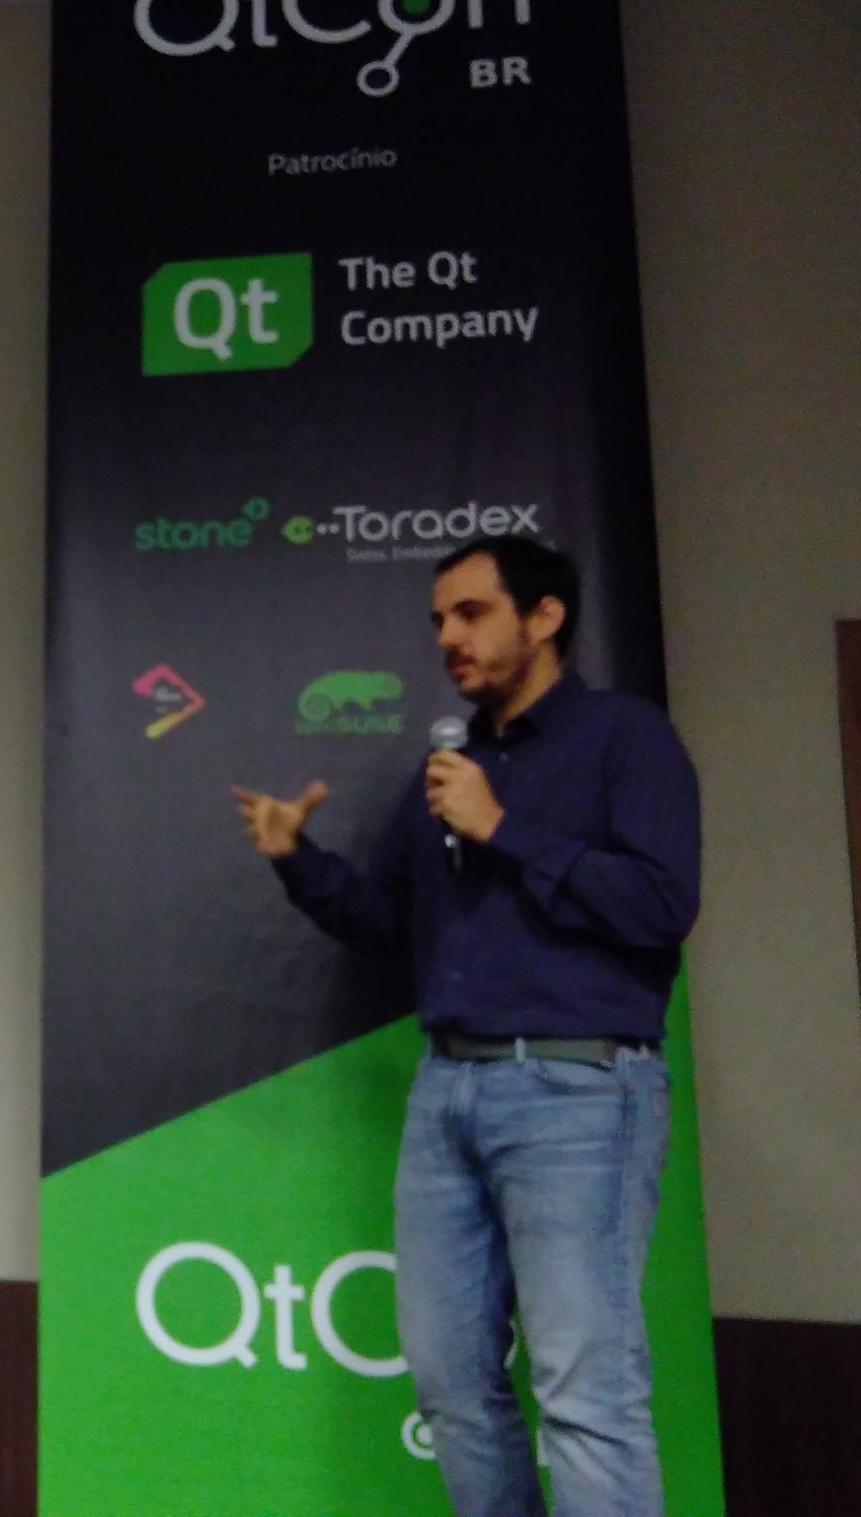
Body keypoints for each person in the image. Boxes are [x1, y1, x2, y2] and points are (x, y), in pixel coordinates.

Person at [231, 535, 701, 1517]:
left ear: (544, 617)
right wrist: (296, 861)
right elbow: (387, 927)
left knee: (585, 1394)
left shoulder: (625, 738)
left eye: (471, 612)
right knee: (450, 1386)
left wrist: (503, 829)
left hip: (578, 1091)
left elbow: (661, 906)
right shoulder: (448, 768)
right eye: (439, 619)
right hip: (445, 1092)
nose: (447, 636)